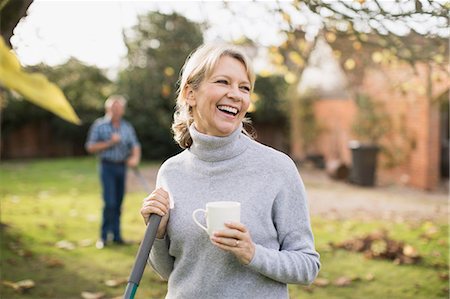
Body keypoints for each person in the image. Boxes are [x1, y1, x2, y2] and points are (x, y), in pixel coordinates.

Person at [140, 43, 320, 298]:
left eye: (244, 87)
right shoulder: (171, 172)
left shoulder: (277, 169)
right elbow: (171, 272)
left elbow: (307, 266)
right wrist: (157, 236)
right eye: (223, 82)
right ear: (190, 94)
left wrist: (252, 253)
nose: (236, 94)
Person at [85, 95, 141, 249]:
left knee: (118, 202)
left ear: (122, 110)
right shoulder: (99, 125)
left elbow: (135, 145)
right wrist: (110, 142)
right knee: (109, 202)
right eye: (113, 108)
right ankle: (103, 237)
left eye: (119, 108)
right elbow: (90, 147)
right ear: (107, 109)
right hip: (106, 166)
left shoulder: (127, 127)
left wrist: (134, 158)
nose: (116, 111)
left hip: (121, 167)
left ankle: (117, 236)